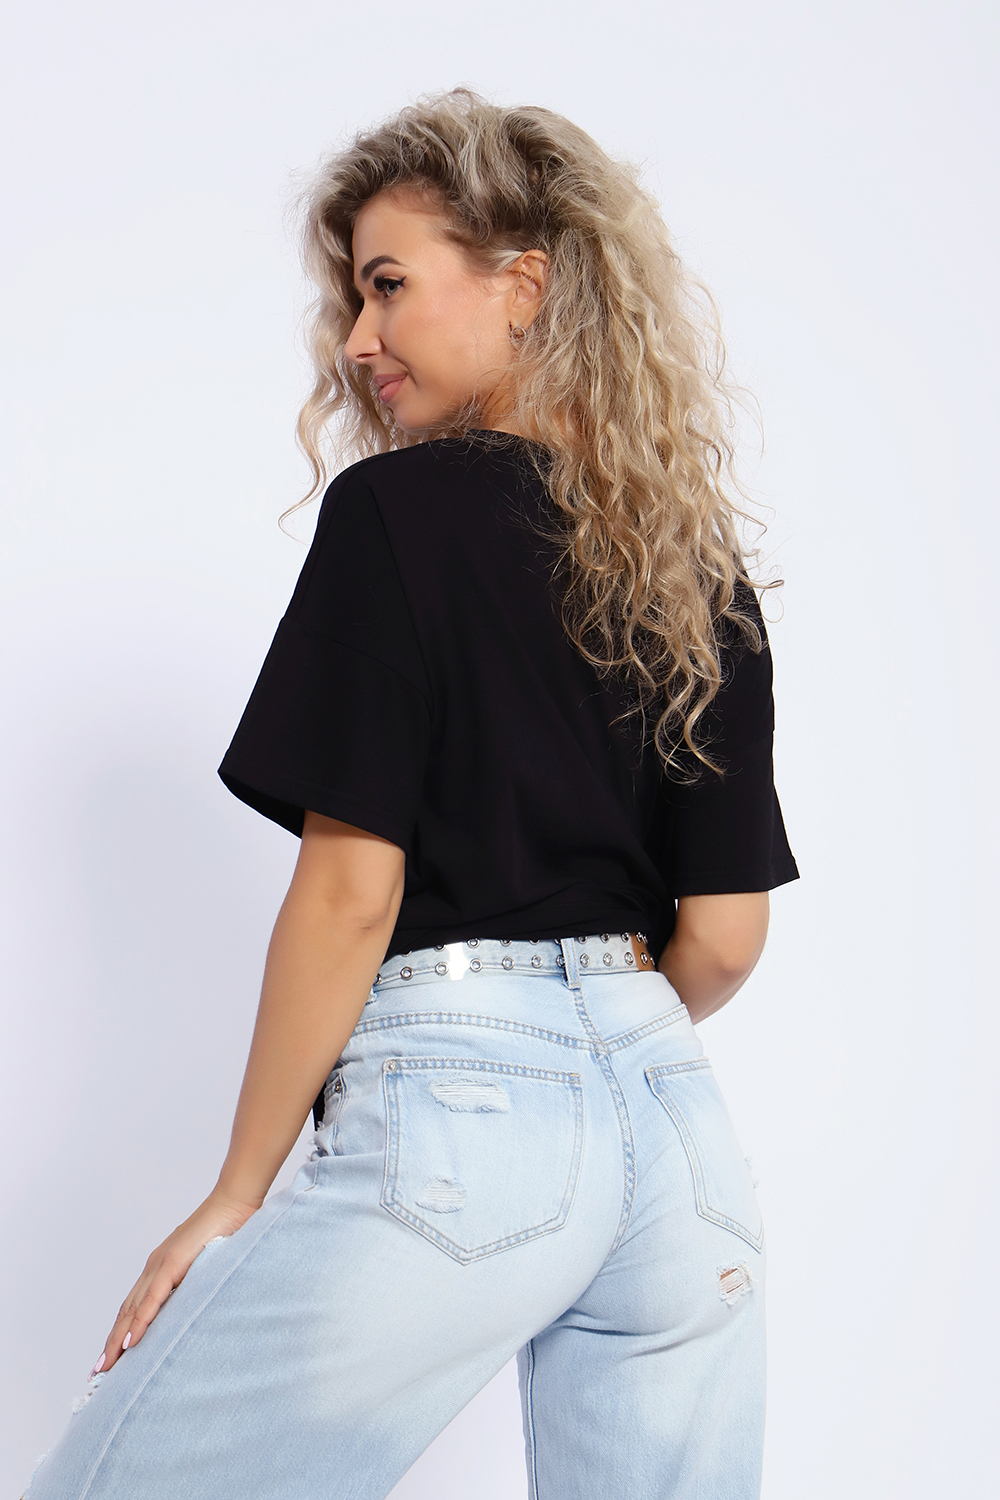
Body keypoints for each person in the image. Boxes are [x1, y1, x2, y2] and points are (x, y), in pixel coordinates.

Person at [26, 90, 797, 1500]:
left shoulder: (399, 511)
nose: (356, 339)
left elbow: (348, 893)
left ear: (524, 285)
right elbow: (727, 936)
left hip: (468, 1112)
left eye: (387, 286)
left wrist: (238, 1195)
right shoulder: (701, 575)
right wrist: (597, 1036)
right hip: (682, 1152)